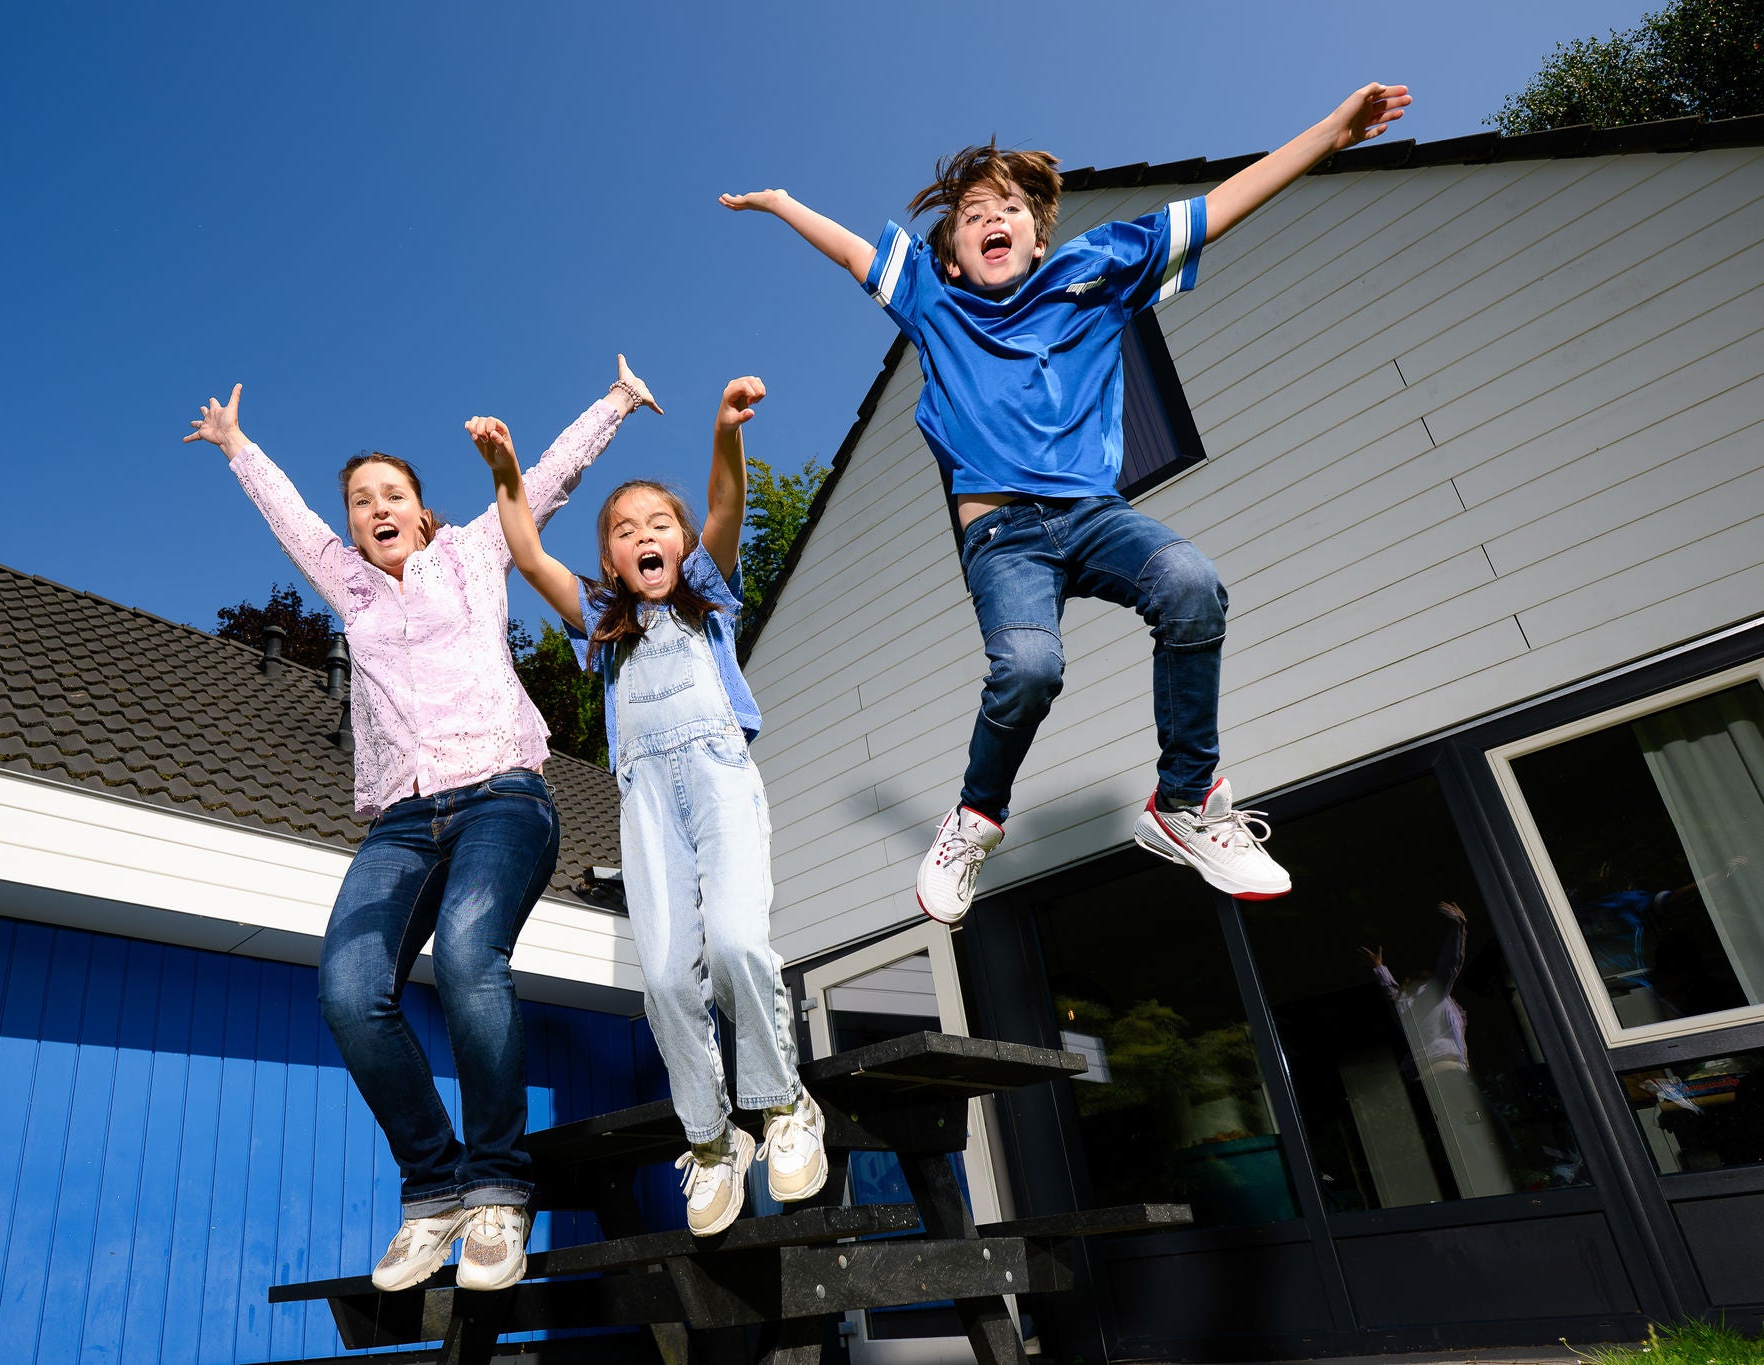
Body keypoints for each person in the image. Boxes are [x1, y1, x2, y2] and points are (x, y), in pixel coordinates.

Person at [720, 83, 1412, 922]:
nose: (992, 219)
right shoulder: (935, 303)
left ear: (1039, 235)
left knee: (1192, 583)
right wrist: (783, 202)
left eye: (1008, 208)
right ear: (952, 256)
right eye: (972, 216)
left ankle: (1185, 801)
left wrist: (1331, 132)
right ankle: (975, 818)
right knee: (1028, 668)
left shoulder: (1097, 270)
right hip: (1003, 538)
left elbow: (1217, 208)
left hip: (1094, 515)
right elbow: (853, 254)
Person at [182, 358, 661, 1292]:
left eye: (392, 495)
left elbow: (544, 482)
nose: (377, 509)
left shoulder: (473, 553)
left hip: (503, 795)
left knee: (471, 955)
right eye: (361, 502)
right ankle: (435, 1187)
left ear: (422, 510)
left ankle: (498, 1187)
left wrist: (615, 402)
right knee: (349, 989)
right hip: (402, 818)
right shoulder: (348, 584)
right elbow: (292, 520)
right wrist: (237, 447)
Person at [465, 377, 826, 1238]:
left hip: (720, 779)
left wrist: (726, 431)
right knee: (664, 978)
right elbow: (528, 554)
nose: (643, 536)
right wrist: (507, 473)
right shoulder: (602, 623)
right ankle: (711, 1140)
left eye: (658, 524)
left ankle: (782, 1104)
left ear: (683, 544)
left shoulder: (708, 595)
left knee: (737, 943)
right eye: (624, 531)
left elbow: (725, 502)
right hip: (647, 803)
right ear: (612, 562)